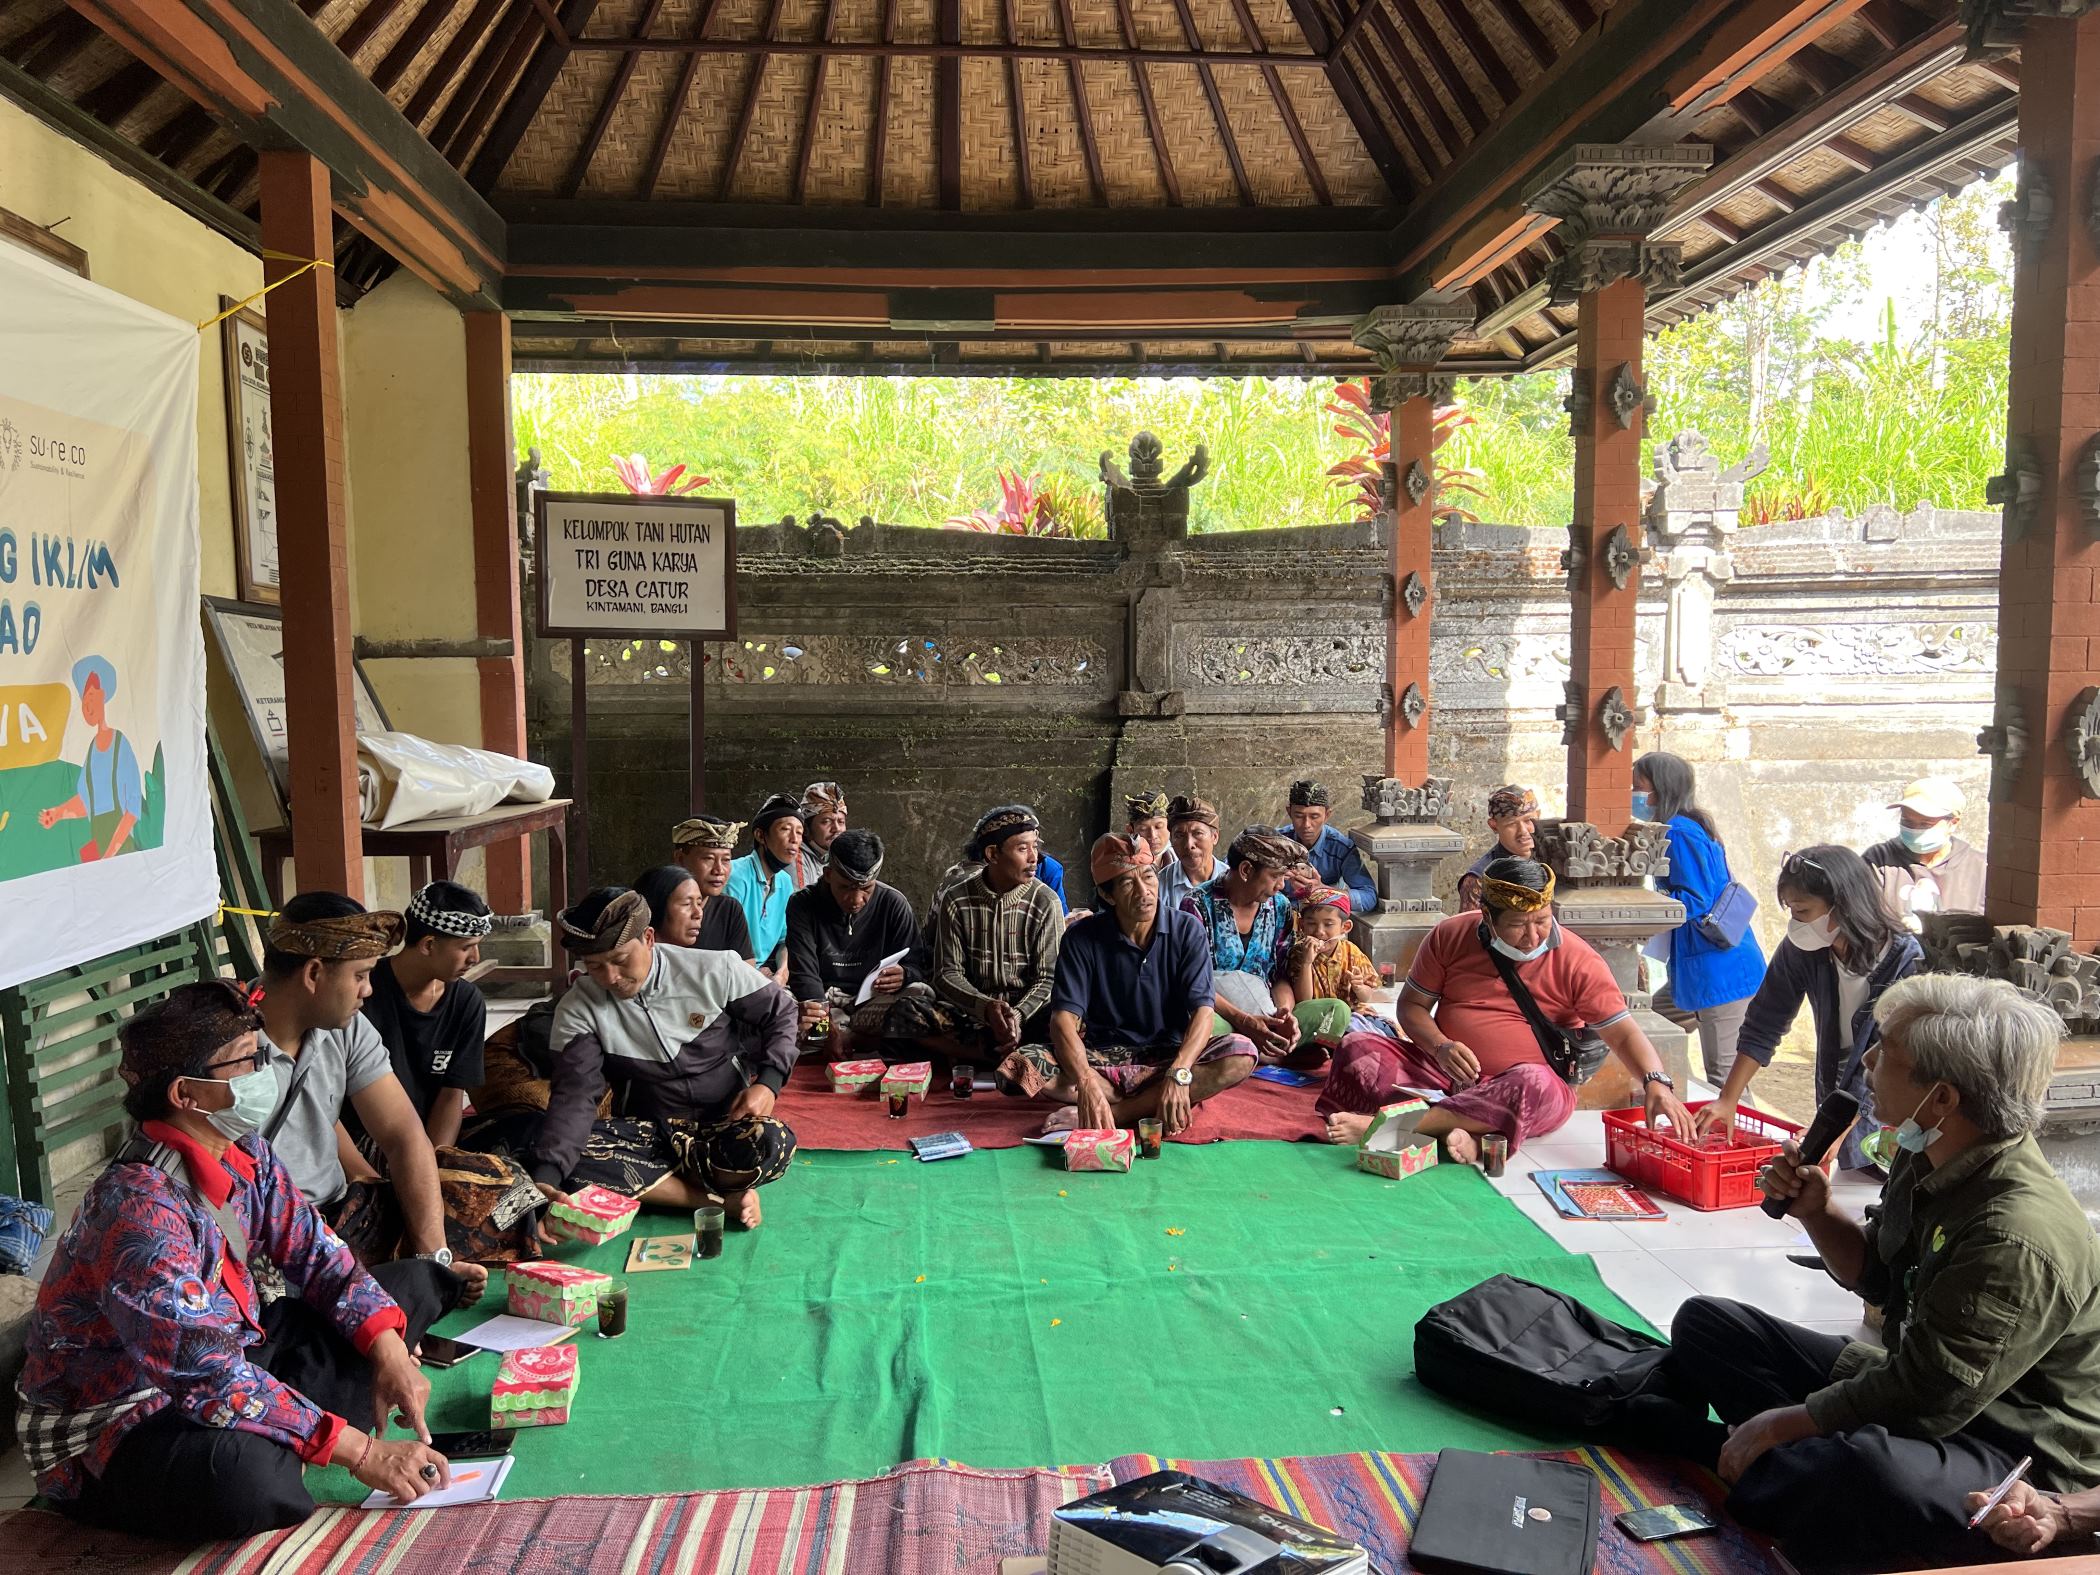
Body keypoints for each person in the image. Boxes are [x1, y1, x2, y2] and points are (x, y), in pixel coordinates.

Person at [1647, 975, 2100, 1575]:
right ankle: (1784, 1473)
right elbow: (1882, 1281)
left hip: (2011, 1451)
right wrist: (1817, 1213)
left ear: (1940, 1097)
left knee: (1867, 1469)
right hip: (1918, 1385)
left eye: (1886, 1049)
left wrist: (1789, 1420)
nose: (1866, 1058)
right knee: (1708, 1325)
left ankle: (1755, 1460)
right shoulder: (1929, 1151)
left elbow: (1929, 1401)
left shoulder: (2013, 1234)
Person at [16, 981, 458, 1539]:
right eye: (247, 1062)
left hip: (234, 1348)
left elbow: (320, 1257)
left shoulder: (244, 1150)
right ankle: (283, 1433)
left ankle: (284, 1423)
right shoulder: (137, 1212)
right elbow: (204, 1374)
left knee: (416, 1284)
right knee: (254, 1485)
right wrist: (363, 1452)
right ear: (187, 1094)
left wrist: (389, 1352)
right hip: (124, 1421)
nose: (264, 1072)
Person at [1318, 857, 1692, 1158]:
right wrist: (1440, 1046)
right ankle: (1466, 1131)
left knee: (1533, 1083)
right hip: (1441, 1077)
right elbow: (1412, 1008)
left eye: (1542, 921)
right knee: (1359, 1048)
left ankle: (1391, 1126)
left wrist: (1656, 1082)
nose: (1532, 936)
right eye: (1517, 925)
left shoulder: (1579, 961)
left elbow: (1623, 1032)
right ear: (1487, 918)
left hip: (1522, 1088)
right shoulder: (1450, 935)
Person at [253, 895, 487, 1298]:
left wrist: (433, 1256)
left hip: (340, 1213)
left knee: (477, 1201)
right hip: (268, 1234)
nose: (368, 990)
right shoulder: (228, 1047)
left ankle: (399, 1284)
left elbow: (403, 1134)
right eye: (360, 975)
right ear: (314, 974)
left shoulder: (347, 1027)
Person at [530, 888, 798, 1229]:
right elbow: (575, 1096)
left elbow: (782, 1012)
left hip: (726, 1122)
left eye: (621, 960)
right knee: (566, 1157)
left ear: (649, 937)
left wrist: (768, 1084)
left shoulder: (713, 968)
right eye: (595, 966)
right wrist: (547, 1183)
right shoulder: (578, 1009)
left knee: (774, 1141)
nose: (611, 977)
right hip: (651, 1135)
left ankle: (671, 1186)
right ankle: (715, 1199)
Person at [1000, 834, 1255, 1135]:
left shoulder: (1187, 930)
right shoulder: (1082, 937)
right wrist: (1085, 1081)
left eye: (1149, 877)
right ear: (1108, 896)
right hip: (1103, 1058)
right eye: (1126, 883)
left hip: (1167, 1056)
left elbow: (1203, 1011)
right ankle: (1143, 1101)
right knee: (1020, 1066)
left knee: (1241, 1052)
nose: (1144, 891)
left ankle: (1117, 1112)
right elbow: (1064, 1020)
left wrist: (1180, 1071)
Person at [1691, 846, 1922, 1171]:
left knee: (1876, 1172)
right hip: (1836, 1079)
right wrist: (1728, 1099)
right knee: (1834, 1171)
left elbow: (1887, 1054)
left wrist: (1839, 1127)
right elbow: (1764, 1021)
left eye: (1802, 911)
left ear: (1842, 907)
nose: (1795, 923)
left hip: (1888, 1088)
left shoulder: (1904, 961)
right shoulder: (1805, 948)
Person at [1633, 752, 1765, 1088]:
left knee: (1725, 1077)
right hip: (1699, 969)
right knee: (1645, 1028)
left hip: (1720, 971)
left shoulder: (1679, 831)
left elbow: (1696, 899)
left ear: (1661, 789)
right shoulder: (1682, 827)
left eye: (1638, 787)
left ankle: (1740, 1138)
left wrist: (1644, 908)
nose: (1632, 794)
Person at [351, 881, 490, 1156]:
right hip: (369, 1139)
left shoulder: (467, 1001)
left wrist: (434, 1161)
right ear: (428, 945)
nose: (475, 958)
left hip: (427, 1139)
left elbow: (452, 1094)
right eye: (466, 947)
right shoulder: (363, 994)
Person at [927, 805, 1066, 1062]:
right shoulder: (956, 900)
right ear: (993, 854)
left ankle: (980, 1054)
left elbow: (1049, 977)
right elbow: (947, 973)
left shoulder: (1046, 901)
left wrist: (1017, 1016)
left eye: (1035, 846)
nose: (1034, 857)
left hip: (1029, 1017)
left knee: (1071, 1020)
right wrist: (985, 1007)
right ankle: (1008, 1057)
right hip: (973, 1012)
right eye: (1023, 848)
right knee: (908, 1010)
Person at [1184, 828, 1330, 1063]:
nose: (1282, 885)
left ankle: (1264, 1048)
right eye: (1275, 876)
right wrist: (1244, 1020)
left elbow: (1280, 976)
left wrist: (1283, 1015)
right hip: (1220, 1011)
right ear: (1245, 870)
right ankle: (1277, 1053)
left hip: (1265, 1005)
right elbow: (1194, 982)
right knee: (1204, 1025)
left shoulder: (1280, 907)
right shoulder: (1197, 905)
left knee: (1336, 1011)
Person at [785, 828, 930, 1057]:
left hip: (870, 1006)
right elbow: (805, 978)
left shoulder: (893, 903)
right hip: (823, 1006)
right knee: (779, 1008)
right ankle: (849, 1040)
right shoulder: (802, 904)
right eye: (846, 888)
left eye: (866, 889)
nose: (856, 900)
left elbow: (916, 965)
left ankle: (849, 1039)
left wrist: (906, 974)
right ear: (828, 874)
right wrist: (826, 1030)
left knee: (919, 994)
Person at [37, 653, 143, 862]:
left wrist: (110, 854)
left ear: (103, 695)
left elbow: (132, 810)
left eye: (92, 697)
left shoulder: (120, 745)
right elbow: (86, 801)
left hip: (123, 850)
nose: (88, 706)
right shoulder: (92, 750)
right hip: (99, 848)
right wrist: (58, 813)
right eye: (84, 700)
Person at [1861, 776, 1987, 929]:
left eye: (1925, 824)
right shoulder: (1879, 860)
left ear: (1952, 823)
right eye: (1907, 822)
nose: (1914, 830)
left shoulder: (1980, 869)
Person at [1287, 886, 1380, 1045]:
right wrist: (1307, 963)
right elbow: (1304, 1001)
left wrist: (1359, 988)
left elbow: (1367, 996)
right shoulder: (1298, 954)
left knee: (1379, 1031)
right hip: (1318, 1017)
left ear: (1345, 927)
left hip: (1352, 1016)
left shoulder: (1352, 952)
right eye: (1311, 924)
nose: (1319, 932)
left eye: (1328, 924)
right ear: (1301, 925)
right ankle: (1330, 1046)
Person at [726, 794, 804, 980]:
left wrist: (782, 973)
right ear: (761, 835)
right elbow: (724, 947)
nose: (794, 839)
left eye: (799, 832)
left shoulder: (784, 882)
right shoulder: (735, 877)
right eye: (785, 829)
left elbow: (785, 941)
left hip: (763, 976)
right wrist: (755, 977)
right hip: (733, 976)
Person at [1280, 779, 1376, 915]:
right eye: (1299, 816)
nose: (1307, 824)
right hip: (1283, 916)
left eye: (1314, 816)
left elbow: (1369, 897)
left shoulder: (1341, 847)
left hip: (1323, 921)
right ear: (1289, 812)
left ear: (1327, 815)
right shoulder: (1278, 844)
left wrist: (1324, 891)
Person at [669, 816, 756, 957]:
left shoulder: (730, 909)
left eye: (726, 860)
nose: (719, 870)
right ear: (680, 859)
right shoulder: (658, 906)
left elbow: (746, 970)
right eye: (708, 858)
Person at [1455, 785, 1539, 911]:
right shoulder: (1479, 879)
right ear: (1494, 826)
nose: (1523, 831)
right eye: (1511, 824)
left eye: (1528, 820)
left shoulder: (1549, 857)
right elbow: (1471, 928)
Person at [1158, 794, 1227, 915]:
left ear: (1214, 837)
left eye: (1198, 833)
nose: (1189, 845)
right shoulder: (1160, 885)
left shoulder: (1232, 882)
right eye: (1179, 835)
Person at [797, 781, 849, 882]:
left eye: (841, 822)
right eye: (826, 822)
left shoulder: (835, 856)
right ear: (806, 829)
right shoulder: (796, 858)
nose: (837, 829)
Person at [1126, 788, 1172, 864]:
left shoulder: (1183, 861)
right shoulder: (1121, 865)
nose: (1153, 835)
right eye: (1143, 829)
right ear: (1130, 830)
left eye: (1159, 827)